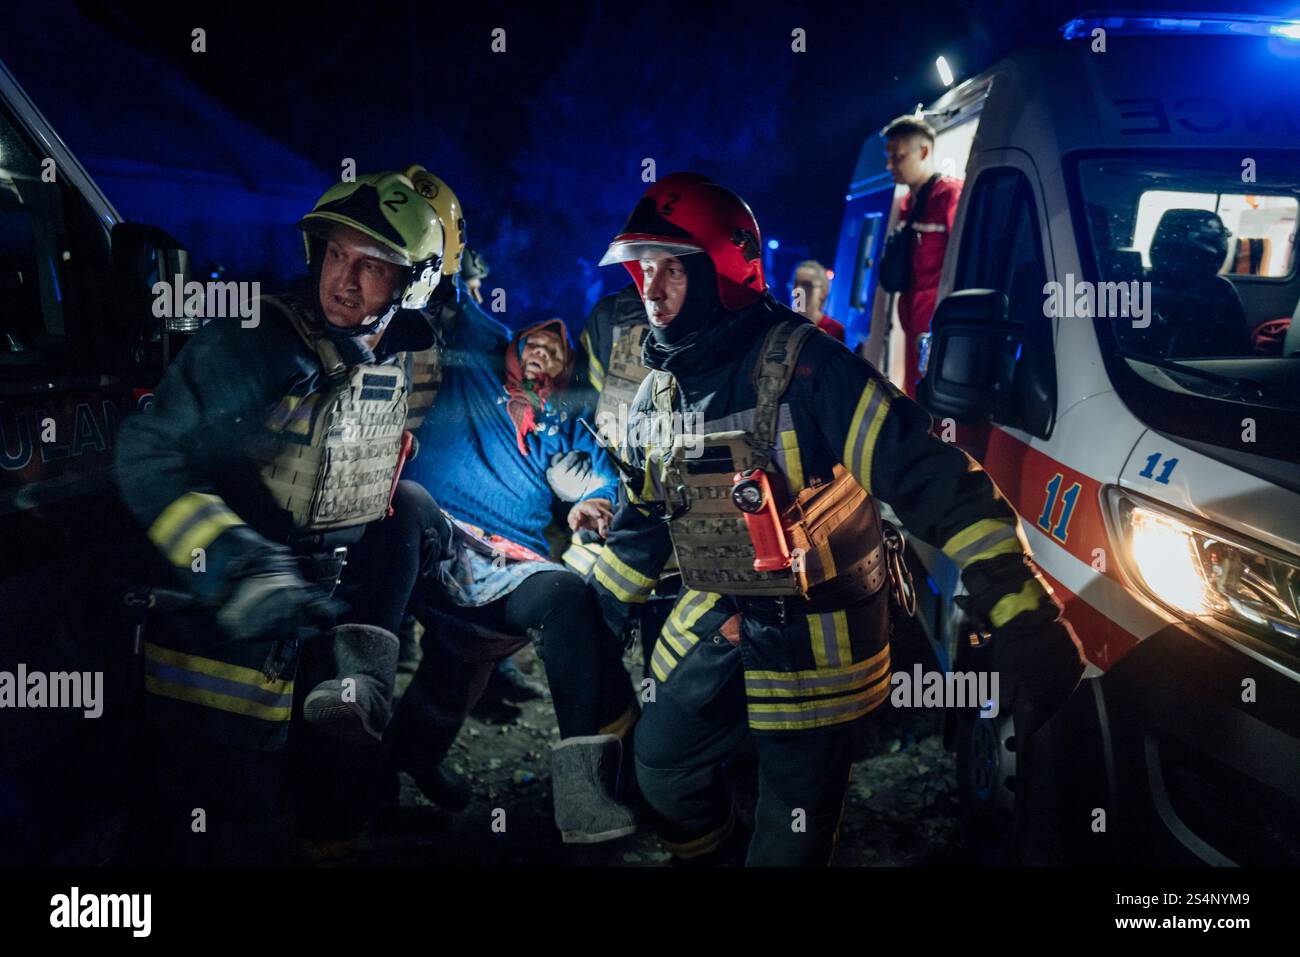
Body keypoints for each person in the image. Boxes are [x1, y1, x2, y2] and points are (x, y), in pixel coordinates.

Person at [588, 172, 1085, 866]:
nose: (652, 288)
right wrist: (596, 607)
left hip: (813, 650)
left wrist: (1025, 613)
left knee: (790, 839)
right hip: (716, 622)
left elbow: (930, 475)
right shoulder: (656, 392)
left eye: (673, 268)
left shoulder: (807, 369)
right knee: (663, 766)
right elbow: (645, 513)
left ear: (725, 270)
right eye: (644, 269)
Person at [113, 171, 455, 864]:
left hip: (319, 641)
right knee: (226, 832)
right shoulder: (252, 342)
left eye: (371, 266)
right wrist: (237, 565)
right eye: (335, 254)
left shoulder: (402, 350)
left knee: (329, 812)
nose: (344, 281)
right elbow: (149, 452)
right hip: (223, 658)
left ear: (413, 284)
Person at [390, 294, 641, 843]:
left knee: (549, 606)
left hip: (507, 561)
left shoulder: (570, 417)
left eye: (557, 352)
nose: (542, 355)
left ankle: (581, 790)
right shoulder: (476, 358)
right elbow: (453, 298)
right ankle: (359, 683)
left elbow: (597, 483)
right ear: (512, 343)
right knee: (403, 503)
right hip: (434, 531)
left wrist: (589, 504)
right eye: (534, 343)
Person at [882, 115, 963, 398]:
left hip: (936, 323)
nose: (889, 165)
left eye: (898, 157)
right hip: (912, 320)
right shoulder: (907, 204)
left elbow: (963, 262)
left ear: (924, 152)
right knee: (915, 393)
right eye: (889, 157)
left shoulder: (949, 196)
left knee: (935, 398)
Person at [790, 260, 845, 342]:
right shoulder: (786, 324)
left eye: (807, 285)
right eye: (795, 284)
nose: (799, 289)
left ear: (823, 291)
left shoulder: (835, 329)